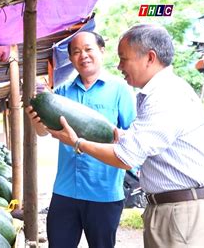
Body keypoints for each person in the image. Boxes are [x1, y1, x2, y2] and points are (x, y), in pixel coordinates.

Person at [43, 24, 204, 247]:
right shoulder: (154, 94)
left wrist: (77, 142)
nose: (119, 66)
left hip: (184, 212)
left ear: (150, 58)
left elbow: (126, 157)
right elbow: (142, 140)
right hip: (171, 209)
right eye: (76, 52)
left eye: (124, 58)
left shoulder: (164, 97)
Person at [26, 31, 136, 248]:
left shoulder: (120, 90)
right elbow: (42, 132)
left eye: (88, 49)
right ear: (70, 59)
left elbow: (133, 136)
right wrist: (35, 118)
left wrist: (119, 136)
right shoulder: (61, 93)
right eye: (76, 52)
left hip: (104, 192)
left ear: (101, 51)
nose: (82, 55)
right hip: (65, 191)